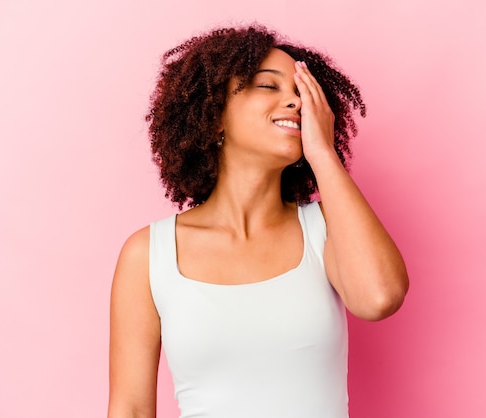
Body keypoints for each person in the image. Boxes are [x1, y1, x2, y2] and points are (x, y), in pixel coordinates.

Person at [107, 24, 409, 418]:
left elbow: (379, 298)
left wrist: (322, 154)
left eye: (303, 93)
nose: (296, 102)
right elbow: (129, 407)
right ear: (213, 116)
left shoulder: (327, 228)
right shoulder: (149, 254)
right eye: (270, 86)